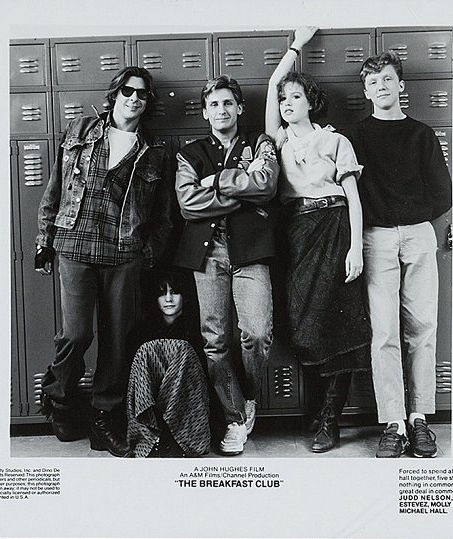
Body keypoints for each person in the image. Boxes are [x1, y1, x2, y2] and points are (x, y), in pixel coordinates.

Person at [34, 66, 173, 457]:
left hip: (121, 252)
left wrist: (146, 253)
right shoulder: (80, 130)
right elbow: (56, 188)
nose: (134, 98)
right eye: (128, 90)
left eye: (142, 94)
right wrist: (45, 238)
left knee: (117, 340)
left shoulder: (154, 151)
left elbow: (162, 216)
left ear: (148, 103)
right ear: (115, 94)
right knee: (77, 335)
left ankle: (103, 417)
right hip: (75, 244)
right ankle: (59, 398)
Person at [264, 26, 372, 453]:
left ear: (311, 102)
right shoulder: (277, 139)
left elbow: (353, 198)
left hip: (334, 227)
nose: (287, 103)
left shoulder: (334, 140)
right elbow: (273, 83)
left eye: (296, 98)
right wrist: (297, 45)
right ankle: (319, 411)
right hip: (296, 233)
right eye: (284, 99)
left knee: (336, 322)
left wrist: (356, 247)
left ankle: (330, 417)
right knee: (304, 324)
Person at [344, 51, 452, 458]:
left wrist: (413, 217)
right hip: (376, 238)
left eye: (387, 79)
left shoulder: (422, 134)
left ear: (401, 85)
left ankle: (420, 419)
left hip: (419, 235)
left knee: (423, 328)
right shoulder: (354, 136)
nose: (381, 87)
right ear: (366, 90)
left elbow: (443, 192)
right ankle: (393, 423)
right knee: (385, 333)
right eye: (372, 82)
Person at [173, 75, 280, 456]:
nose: (221, 110)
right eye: (214, 104)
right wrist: (243, 193)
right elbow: (189, 204)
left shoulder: (260, 143)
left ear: (239, 108)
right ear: (205, 112)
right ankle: (234, 418)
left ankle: (248, 395)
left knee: (256, 332)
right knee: (215, 340)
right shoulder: (189, 153)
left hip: (251, 251)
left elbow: (266, 184)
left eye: (227, 103)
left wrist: (216, 181)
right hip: (207, 253)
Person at [126, 271, 210, 458]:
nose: (169, 299)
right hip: (151, 408)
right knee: (145, 351)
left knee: (184, 350)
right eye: (162, 293)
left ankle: (175, 436)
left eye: (175, 292)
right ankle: (150, 436)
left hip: (187, 409)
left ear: (185, 296)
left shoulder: (197, 330)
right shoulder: (142, 332)